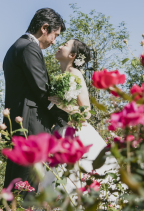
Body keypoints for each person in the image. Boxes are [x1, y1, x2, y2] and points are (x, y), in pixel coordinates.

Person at [2, 8, 70, 191]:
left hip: (19, 121)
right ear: (44, 28)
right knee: (26, 187)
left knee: (15, 184)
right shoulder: (29, 48)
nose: (54, 41)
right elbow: (41, 90)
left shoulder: (16, 46)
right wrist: (63, 117)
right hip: (31, 123)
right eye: (55, 35)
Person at [44, 38, 118, 194]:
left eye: (65, 45)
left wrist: (61, 104)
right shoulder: (62, 75)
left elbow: (85, 113)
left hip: (74, 132)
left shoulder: (75, 73)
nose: (59, 46)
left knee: (74, 180)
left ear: (72, 55)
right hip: (60, 130)